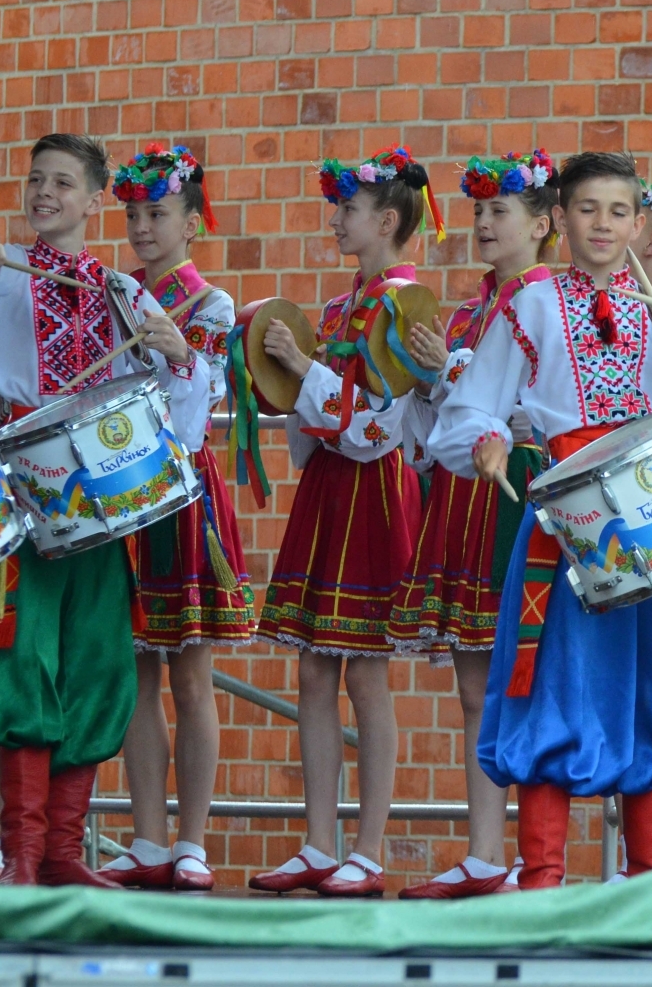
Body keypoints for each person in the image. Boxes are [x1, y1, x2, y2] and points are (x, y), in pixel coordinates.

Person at [428, 151, 652, 888]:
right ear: (558, 220)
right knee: (550, 690)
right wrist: (489, 439)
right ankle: (542, 881)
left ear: (641, 224)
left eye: (617, 212)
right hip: (563, 528)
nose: (602, 225)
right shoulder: (531, 304)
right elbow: (468, 411)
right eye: (586, 210)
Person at [0, 134, 212, 886]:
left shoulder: (121, 290)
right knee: (24, 663)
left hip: (104, 509)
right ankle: (21, 852)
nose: (44, 193)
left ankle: (60, 852)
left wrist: (176, 352)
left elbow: (184, 409)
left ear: (93, 201)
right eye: (35, 180)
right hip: (24, 501)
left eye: (62, 183)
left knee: (97, 667)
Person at [250, 145, 439, 897]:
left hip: (371, 493)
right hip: (330, 491)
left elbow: (378, 430)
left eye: (348, 210)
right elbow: (317, 422)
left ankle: (366, 849)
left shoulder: (406, 306)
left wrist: (300, 371)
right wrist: (280, 379)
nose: (337, 221)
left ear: (386, 220)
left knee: (367, 676)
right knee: (311, 668)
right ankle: (318, 841)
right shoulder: (335, 308)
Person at [390, 150, 558, 899]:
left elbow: (534, 401)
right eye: (480, 211)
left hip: (521, 482)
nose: (485, 224)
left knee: (527, 674)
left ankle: (536, 854)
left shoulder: (548, 300)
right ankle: (485, 851)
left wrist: (451, 375)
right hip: (467, 493)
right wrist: (435, 378)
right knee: (474, 685)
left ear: (543, 223)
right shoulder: (468, 308)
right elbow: (443, 421)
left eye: (501, 212)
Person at [91, 144, 251, 892]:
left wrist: (182, 355)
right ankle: (147, 836)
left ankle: (192, 841)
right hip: (124, 494)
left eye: (157, 213)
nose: (142, 226)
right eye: (132, 213)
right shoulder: (112, 295)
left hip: (183, 495)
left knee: (191, 672)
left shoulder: (209, 305)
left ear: (192, 222)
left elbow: (203, 412)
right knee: (133, 671)